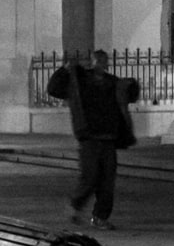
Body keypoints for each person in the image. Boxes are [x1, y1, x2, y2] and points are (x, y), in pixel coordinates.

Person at [46, 49, 139, 229]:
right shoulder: (80, 81)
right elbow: (54, 89)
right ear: (92, 61)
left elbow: (130, 96)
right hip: (89, 137)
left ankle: (100, 217)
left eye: (104, 61)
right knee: (90, 176)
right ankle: (75, 205)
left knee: (107, 180)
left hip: (108, 137)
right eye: (98, 60)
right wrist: (64, 70)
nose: (101, 64)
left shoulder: (112, 82)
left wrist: (130, 84)